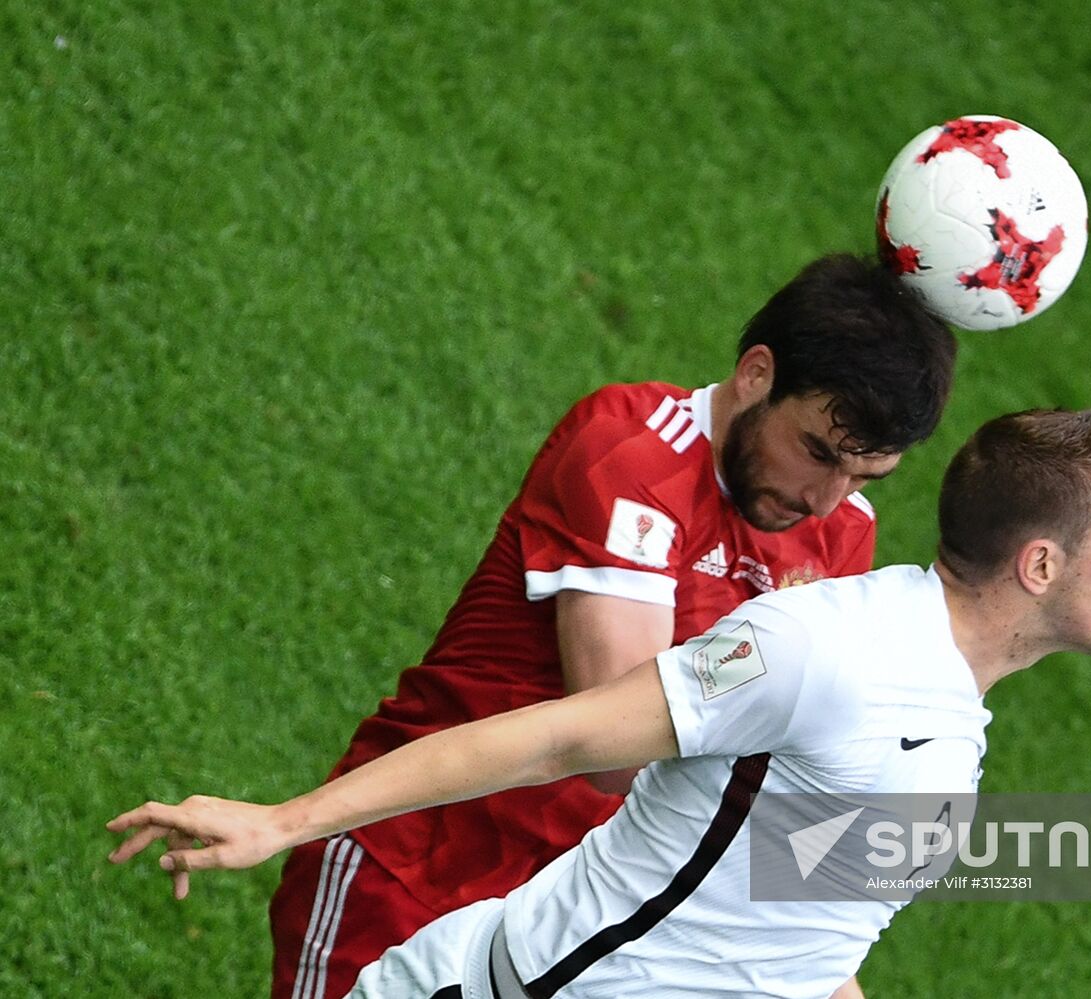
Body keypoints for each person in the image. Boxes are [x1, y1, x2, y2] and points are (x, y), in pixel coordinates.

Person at [109, 408, 1091, 999]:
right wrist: (281, 821)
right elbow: (563, 735)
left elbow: (790, 939)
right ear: (1036, 565)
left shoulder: (949, 714)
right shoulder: (820, 650)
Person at [261, 253, 957, 998]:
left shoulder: (840, 534)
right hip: (416, 863)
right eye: (815, 452)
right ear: (756, 372)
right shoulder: (630, 454)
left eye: (862, 477)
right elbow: (614, 753)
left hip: (568, 931)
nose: (826, 499)